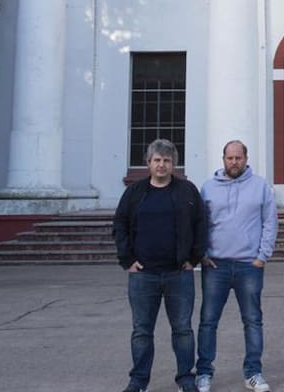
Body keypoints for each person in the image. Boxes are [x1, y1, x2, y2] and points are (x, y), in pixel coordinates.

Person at [113, 139, 207, 392]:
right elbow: (120, 225)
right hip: (144, 275)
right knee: (142, 331)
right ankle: (139, 381)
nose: (162, 165)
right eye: (157, 160)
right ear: (148, 163)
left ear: (174, 164)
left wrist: (194, 258)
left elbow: (201, 224)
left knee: (183, 330)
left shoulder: (187, 191)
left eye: (167, 160)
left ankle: (186, 379)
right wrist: (127, 260)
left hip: (179, 273)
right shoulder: (135, 192)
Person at [195, 140, 278, 392]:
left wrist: (262, 256)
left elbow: (270, 221)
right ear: (223, 159)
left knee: (253, 320)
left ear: (246, 158)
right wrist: (203, 253)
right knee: (208, 320)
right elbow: (199, 224)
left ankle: (253, 372)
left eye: (238, 158)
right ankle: (204, 373)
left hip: (248, 266)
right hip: (215, 265)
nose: (234, 162)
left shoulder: (260, 186)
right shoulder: (208, 188)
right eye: (230, 158)